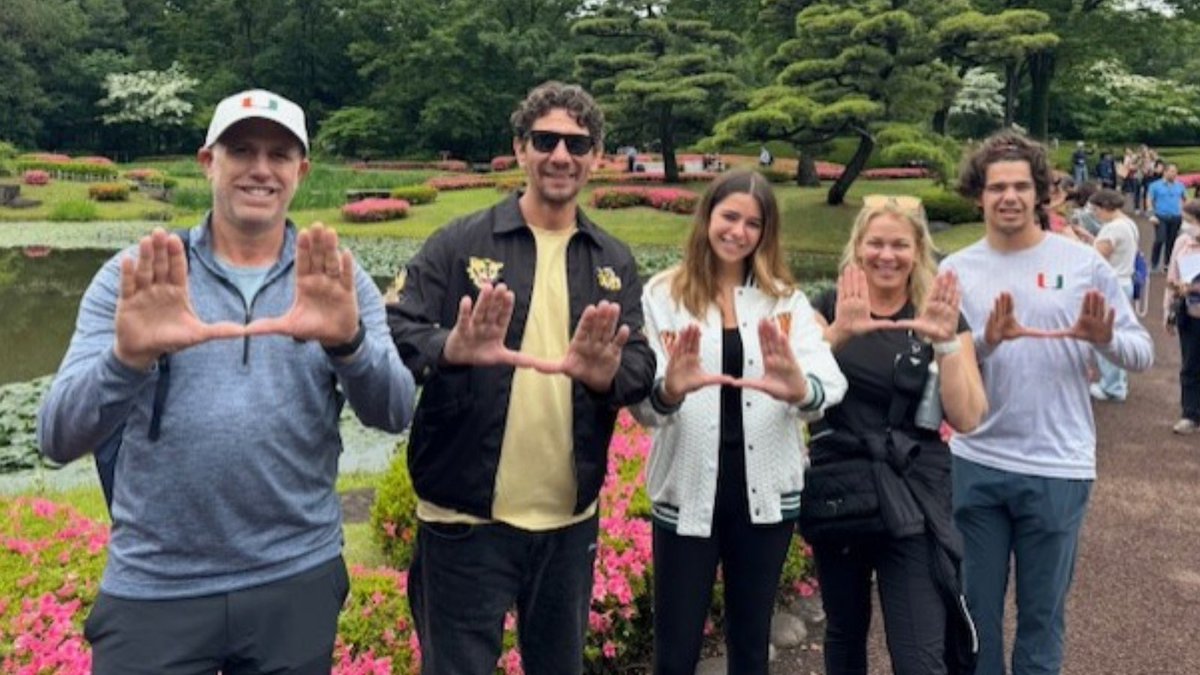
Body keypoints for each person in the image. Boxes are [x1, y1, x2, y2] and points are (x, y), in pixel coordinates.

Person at [37, 89, 417, 674]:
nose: (260, 169)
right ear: (208, 161)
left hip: (295, 573)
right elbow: (56, 436)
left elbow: (395, 410)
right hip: (156, 583)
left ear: (302, 171)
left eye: (279, 154)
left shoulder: (335, 276)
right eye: (241, 150)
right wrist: (127, 358)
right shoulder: (138, 275)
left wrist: (349, 344)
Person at [388, 81, 656, 675]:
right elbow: (396, 326)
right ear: (520, 148)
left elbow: (641, 366)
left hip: (568, 523)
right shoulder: (461, 243)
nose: (561, 155)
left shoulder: (612, 259)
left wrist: (608, 373)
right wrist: (450, 348)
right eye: (546, 140)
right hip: (463, 521)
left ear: (597, 158)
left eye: (577, 144)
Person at [943, 131, 1153, 675]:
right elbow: (942, 362)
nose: (1008, 197)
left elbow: (1142, 352)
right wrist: (987, 340)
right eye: (996, 187)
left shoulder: (1083, 264)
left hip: (1057, 465)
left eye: (1020, 185)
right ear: (979, 195)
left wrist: (1101, 338)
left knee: (1041, 619)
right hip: (978, 460)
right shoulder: (956, 271)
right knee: (974, 617)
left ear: (1042, 192)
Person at [629, 170, 847, 675]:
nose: (738, 231)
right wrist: (669, 390)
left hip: (765, 495)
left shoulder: (784, 300)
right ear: (708, 216)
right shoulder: (664, 296)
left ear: (765, 232)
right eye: (730, 216)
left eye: (754, 222)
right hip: (686, 487)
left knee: (751, 642)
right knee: (675, 643)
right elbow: (644, 406)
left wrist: (798, 386)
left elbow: (827, 382)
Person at [805, 194, 987, 675]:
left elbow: (968, 416)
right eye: (876, 243)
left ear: (918, 250)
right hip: (842, 486)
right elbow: (794, 392)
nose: (887, 255)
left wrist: (945, 342)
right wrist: (840, 333)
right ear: (858, 247)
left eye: (900, 245)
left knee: (919, 651)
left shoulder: (940, 313)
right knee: (844, 631)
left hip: (913, 492)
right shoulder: (826, 304)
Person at [1088, 188, 1141, 402]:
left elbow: (1095, 259)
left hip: (1111, 284)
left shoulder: (1112, 229)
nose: (1095, 214)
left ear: (1105, 207)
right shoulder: (1128, 224)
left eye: (1096, 210)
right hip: (1124, 281)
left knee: (1105, 335)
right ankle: (1117, 382)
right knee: (1116, 333)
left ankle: (1113, 386)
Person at [1163, 200, 1200, 434]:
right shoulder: (1182, 243)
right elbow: (1171, 278)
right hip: (1190, 312)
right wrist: (1169, 310)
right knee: (1190, 364)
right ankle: (1190, 414)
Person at [1148, 163, 1187, 273]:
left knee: (1172, 241)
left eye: (1175, 172)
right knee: (1160, 239)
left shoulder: (1180, 185)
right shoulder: (1155, 185)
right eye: (1172, 171)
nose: (1174, 174)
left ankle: (1167, 264)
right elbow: (1149, 200)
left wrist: (1186, 213)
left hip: (1176, 217)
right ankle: (1154, 263)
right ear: (1165, 172)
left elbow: (1185, 199)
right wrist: (1151, 214)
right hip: (1161, 216)